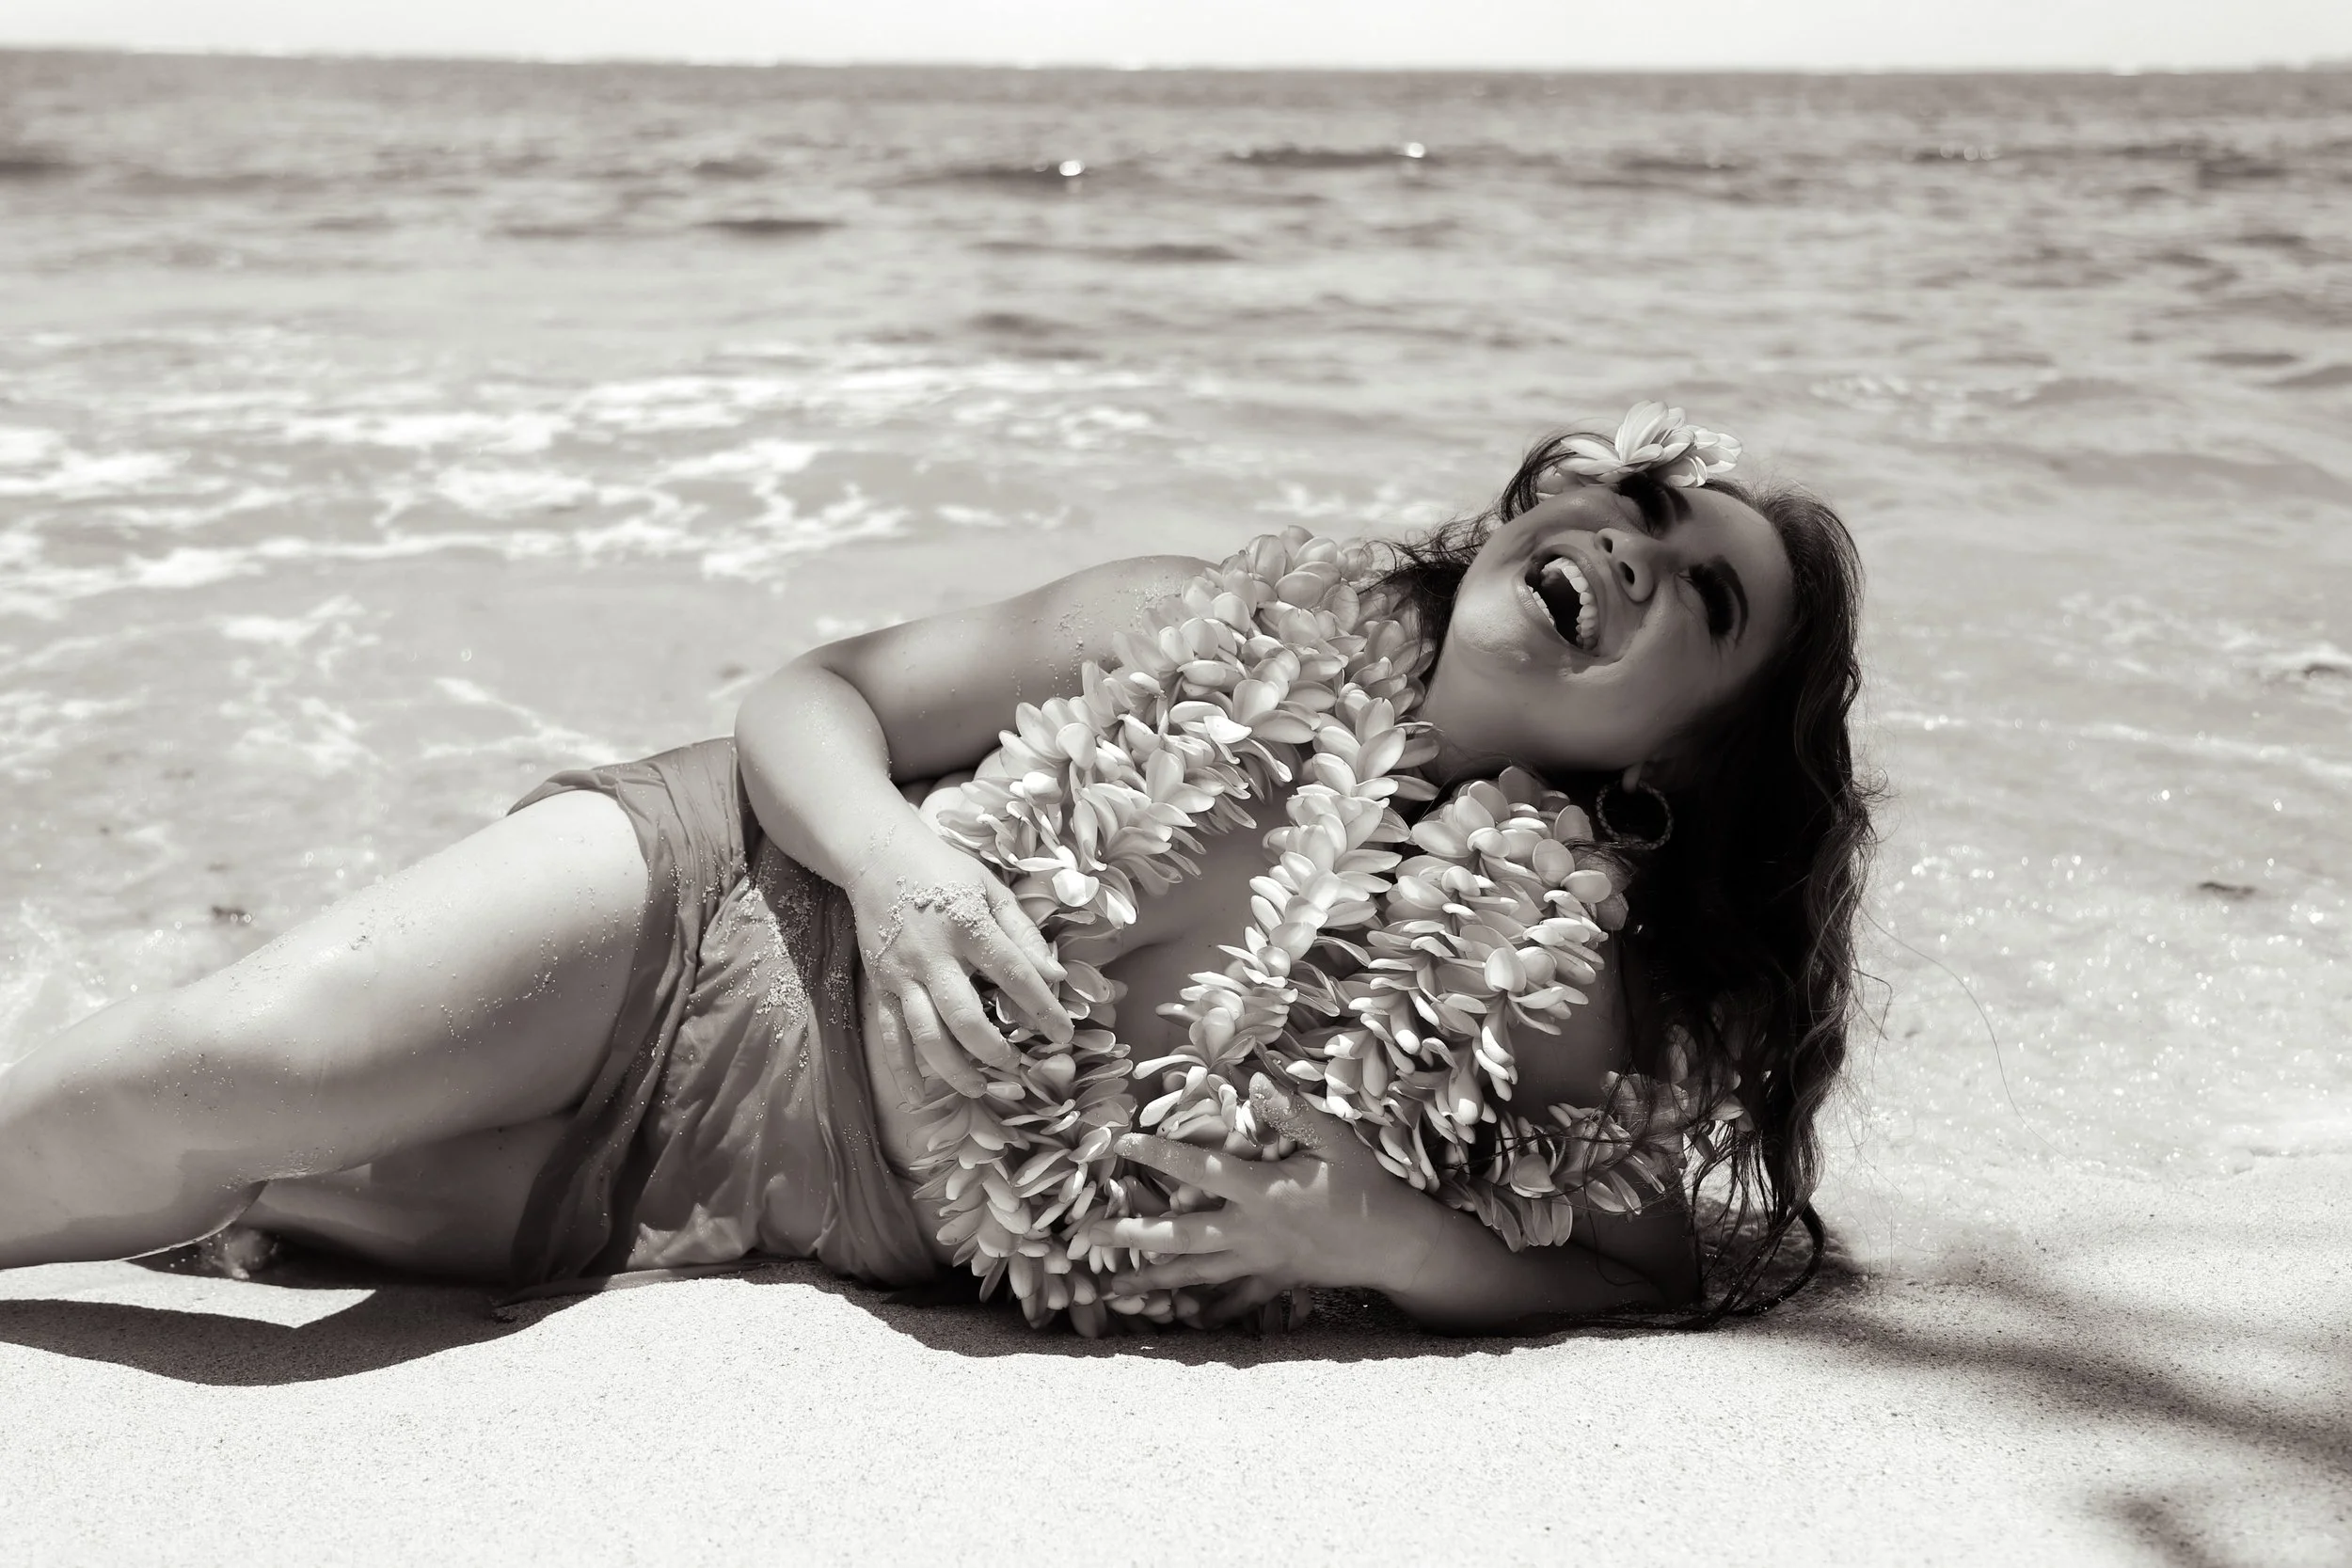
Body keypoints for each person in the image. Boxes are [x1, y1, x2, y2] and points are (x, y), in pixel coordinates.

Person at [0, 407, 1870, 1334]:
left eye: (1704, 596)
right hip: (734, 906)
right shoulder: (1195, 622)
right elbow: (806, 699)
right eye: (1634, 502)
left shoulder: (1535, 971)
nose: (1635, 550)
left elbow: (1636, 1272)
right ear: (1540, 502)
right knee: (236, 1072)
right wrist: (895, 870)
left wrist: (1385, 1238)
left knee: (265, 1198)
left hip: (786, 1199)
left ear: (1688, 754)